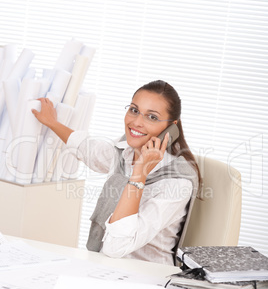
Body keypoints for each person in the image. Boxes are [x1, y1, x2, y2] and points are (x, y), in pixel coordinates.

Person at [32, 80, 200, 265]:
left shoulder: (176, 183)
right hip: (106, 267)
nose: (136, 122)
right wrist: (52, 122)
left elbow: (116, 248)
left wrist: (140, 173)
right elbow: (89, 149)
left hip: (148, 278)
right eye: (134, 110)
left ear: (172, 127)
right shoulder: (125, 152)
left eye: (152, 117)